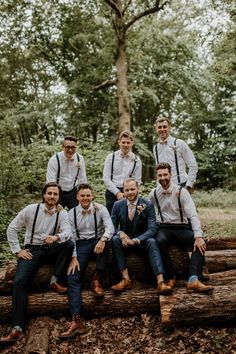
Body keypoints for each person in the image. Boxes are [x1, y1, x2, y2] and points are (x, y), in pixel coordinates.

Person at [0, 182, 74, 344]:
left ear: (59, 197)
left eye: (55, 194)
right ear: (43, 195)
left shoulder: (62, 213)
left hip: (50, 248)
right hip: (31, 251)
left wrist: (56, 237)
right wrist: (17, 251)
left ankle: (54, 280)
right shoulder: (30, 210)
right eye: (49, 193)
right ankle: (17, 328)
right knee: (19, 281)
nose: (52, 197)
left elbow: (68, 232)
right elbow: (11, 228)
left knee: (68, 244)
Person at [59, 183, 114, 339]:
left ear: (92, 196)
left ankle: (96, 279)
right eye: (82, 195)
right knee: (72, 277)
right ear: (77, 197)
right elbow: (71, 237)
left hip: (98, 241)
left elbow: (110, 227)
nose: (85, 198)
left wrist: (103, 240)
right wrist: (74, 257)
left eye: (88, 195)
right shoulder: (71, 214)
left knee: (109, 240)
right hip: (80, 245)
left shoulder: (100, 209)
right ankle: (77, 320)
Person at [149, 162, 214, 293]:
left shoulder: (182, 192)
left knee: (200, 242)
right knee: (159, 241)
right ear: (157, 176)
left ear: (170, 174)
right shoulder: (153, 194)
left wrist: (198, 235)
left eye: (165, 174)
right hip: (164, 228)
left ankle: (193, 279)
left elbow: (193, 214)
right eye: (160, 175)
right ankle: (170, 276)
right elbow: (147, 211)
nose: (163, 178)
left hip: (182, 227)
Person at [110, 178, 172, 295]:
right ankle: (125, 279)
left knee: (152, 241)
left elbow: (152, 229)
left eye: (132, 189)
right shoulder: (117, 205)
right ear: (123, 190)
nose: (130, 192)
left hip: (141, 242)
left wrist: (137, 240)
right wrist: (121, 234)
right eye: (127, 190)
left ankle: (160, 282)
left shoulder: (147, 205)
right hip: (124, 242)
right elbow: (111, 226)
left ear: (138, 189)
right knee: (114, 239)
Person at [153, 116, 198, 191]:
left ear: (169, 127)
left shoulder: (180, 143)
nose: (162, 129)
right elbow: (159, 170)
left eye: (164, 127)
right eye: (159, 127)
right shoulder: (155, 148)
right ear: (156, 129)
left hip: (181, 186)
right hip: (163, 189)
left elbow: (193, 165)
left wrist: (188, 186)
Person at [103, 130, 142, 214]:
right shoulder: (111, 157)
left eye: (128, 142)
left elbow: (137, 180)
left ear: (132, 143)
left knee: (128, 218)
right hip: (112, 191)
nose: (125, 145)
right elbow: (106, 178)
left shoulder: (136, 160)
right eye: (123, 142)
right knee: (112, 218)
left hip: (129, 191)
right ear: (119, 142)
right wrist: (117, 193)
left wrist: (130, 192)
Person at [46, 135, 87, 209]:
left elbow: (83, 179)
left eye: (73, 147)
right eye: (68, 147)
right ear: (63, 147)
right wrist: (55, 198)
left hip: (73, 191)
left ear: (76, 147)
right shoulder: (54, 160)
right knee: (55, 214)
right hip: (58, 191)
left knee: (78, 214)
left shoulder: (80, 158)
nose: (70, 150)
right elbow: (50, 181)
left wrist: (84, 195)